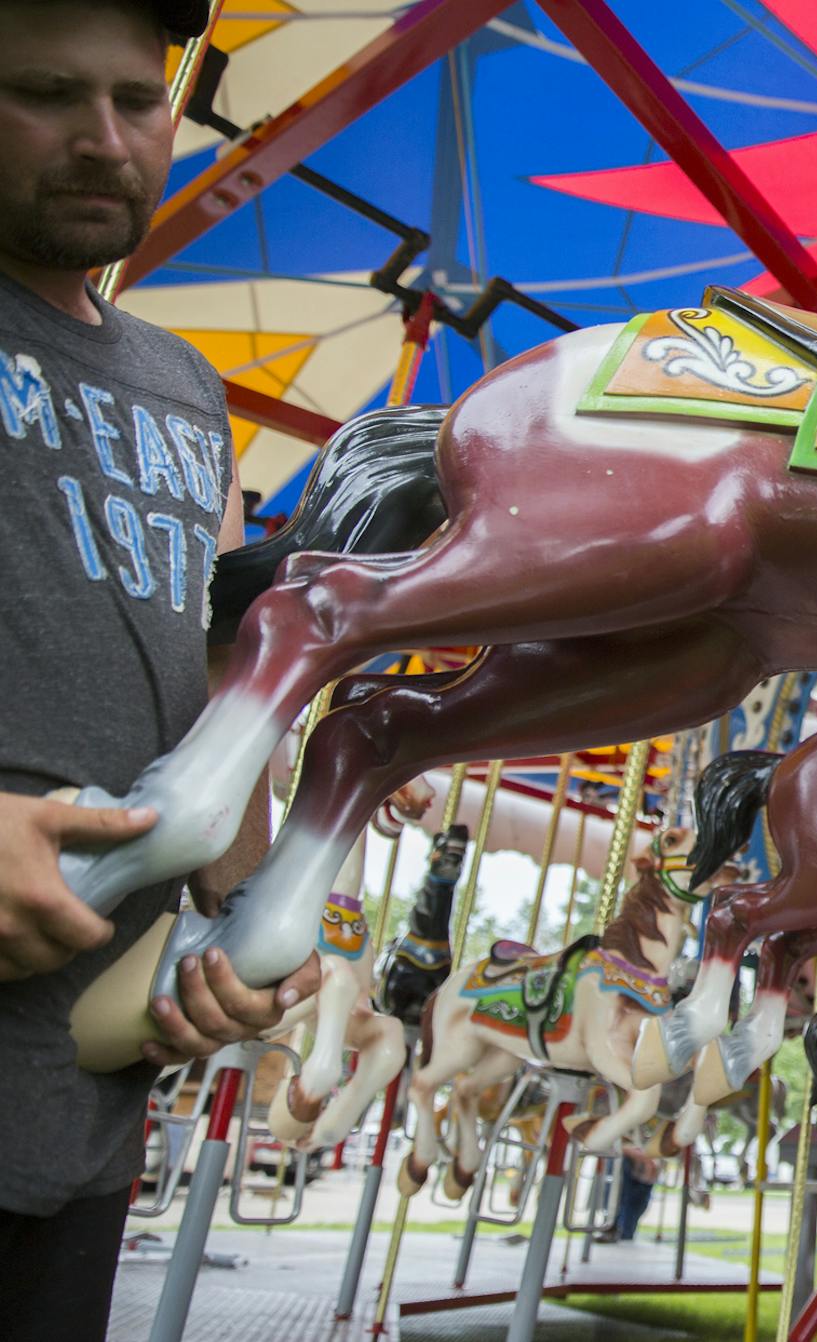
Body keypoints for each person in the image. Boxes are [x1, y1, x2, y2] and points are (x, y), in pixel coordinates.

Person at [0, 1, 322, 1333]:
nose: (103, 140)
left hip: (78, 1099)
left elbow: (200, 679)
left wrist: (236, 919)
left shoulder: (187, 391)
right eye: (44, 93)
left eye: (139, 102)